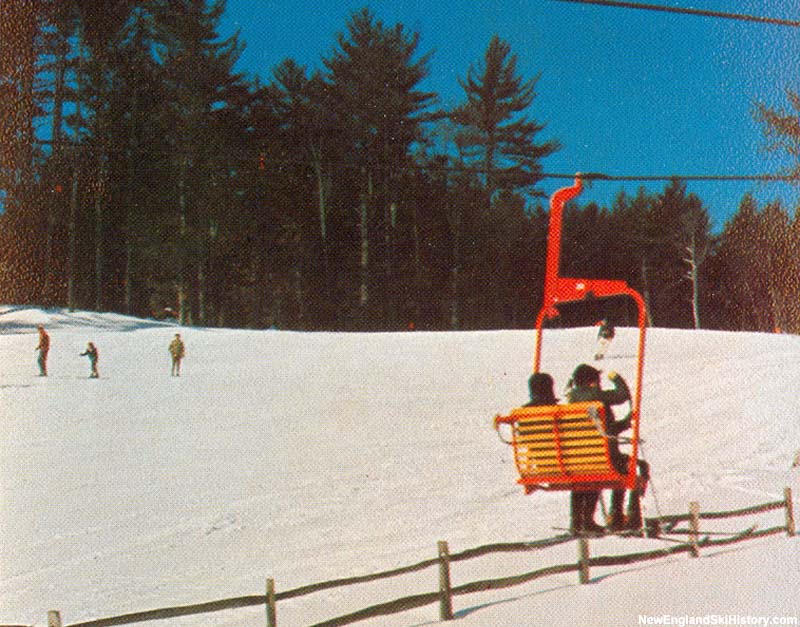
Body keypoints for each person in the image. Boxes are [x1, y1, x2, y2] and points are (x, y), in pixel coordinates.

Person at [566, 364, 649, 534]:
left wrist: (623, 424)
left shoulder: (571, 400)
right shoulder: (596, 396)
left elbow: (601, 430)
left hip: (578, 460)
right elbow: (622, 395)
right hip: (603, 459)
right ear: (592, 381)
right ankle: (620, 515)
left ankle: (578, 521)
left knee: (591, 475)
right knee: (637, 466)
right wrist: (615, 378)